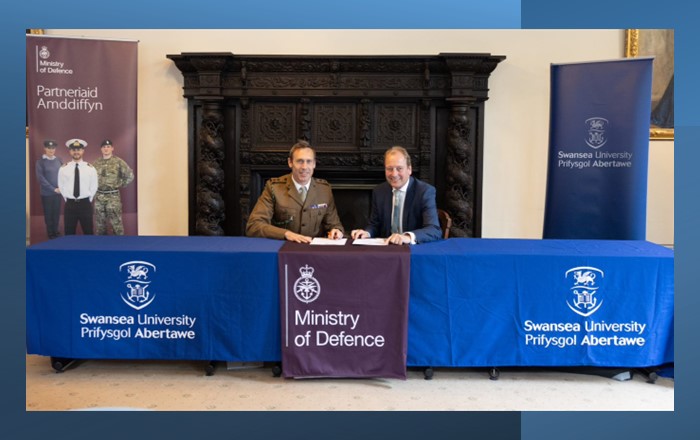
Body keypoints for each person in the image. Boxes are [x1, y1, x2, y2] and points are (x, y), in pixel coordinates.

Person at [246, 140, 344, 243]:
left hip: (314, 251)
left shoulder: (324, 189)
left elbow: (334, 225)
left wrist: (336, 231)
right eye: (300, 161)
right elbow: (253, 226)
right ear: (290, 162)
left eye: (309, 161)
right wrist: (285, 234)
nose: (304, 167)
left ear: (314, 164)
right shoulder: (274, 188)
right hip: (283, 249)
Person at [351, 146, 441, 245]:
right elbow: (374, 224)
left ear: (409, 169)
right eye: (389, 169)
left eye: (399, 168)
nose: (394, 174)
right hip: (387, 250)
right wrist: (367, 233)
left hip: (413, 251)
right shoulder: (379, 191)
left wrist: (407, 237)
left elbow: (434, 229)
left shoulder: (424, 191)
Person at [92, 139, 135, 235]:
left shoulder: (118, 162)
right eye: (104, 147)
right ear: (101, 149)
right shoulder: (95, 163)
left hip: (113, 196)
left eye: (108, 147)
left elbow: (130, 175)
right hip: (99, 196)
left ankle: (119, 246)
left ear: (112, 148)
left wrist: (120, 184)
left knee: (116, 225)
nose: (106, 149)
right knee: (100, 225)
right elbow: (91, 179)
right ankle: (101, 246)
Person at [58, 138, 98, 235]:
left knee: (88, 232)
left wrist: (88, 199)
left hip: (85, 204)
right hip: (70, 205)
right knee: (69, 233)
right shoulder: (64, 168)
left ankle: (89, 250)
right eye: (74, 150)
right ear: (70, 151)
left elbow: (94, 186)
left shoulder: (90, 168)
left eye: (79, 150)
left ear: (83, 151)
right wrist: (68, 199)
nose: (76, 152)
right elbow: (61, 186)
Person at [35, 139, 63, 239]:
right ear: (45, 148)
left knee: (56, 213)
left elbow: (63, 174)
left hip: (58, 193)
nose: (51, 150)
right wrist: (53, 189)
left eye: (53, 148)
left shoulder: (59, 160)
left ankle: (56, 231)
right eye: (49, 148)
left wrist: (61, 188)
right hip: (47, 194)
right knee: (48, 214)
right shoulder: (40, 162)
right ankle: (50, 233)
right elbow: (40, 178)